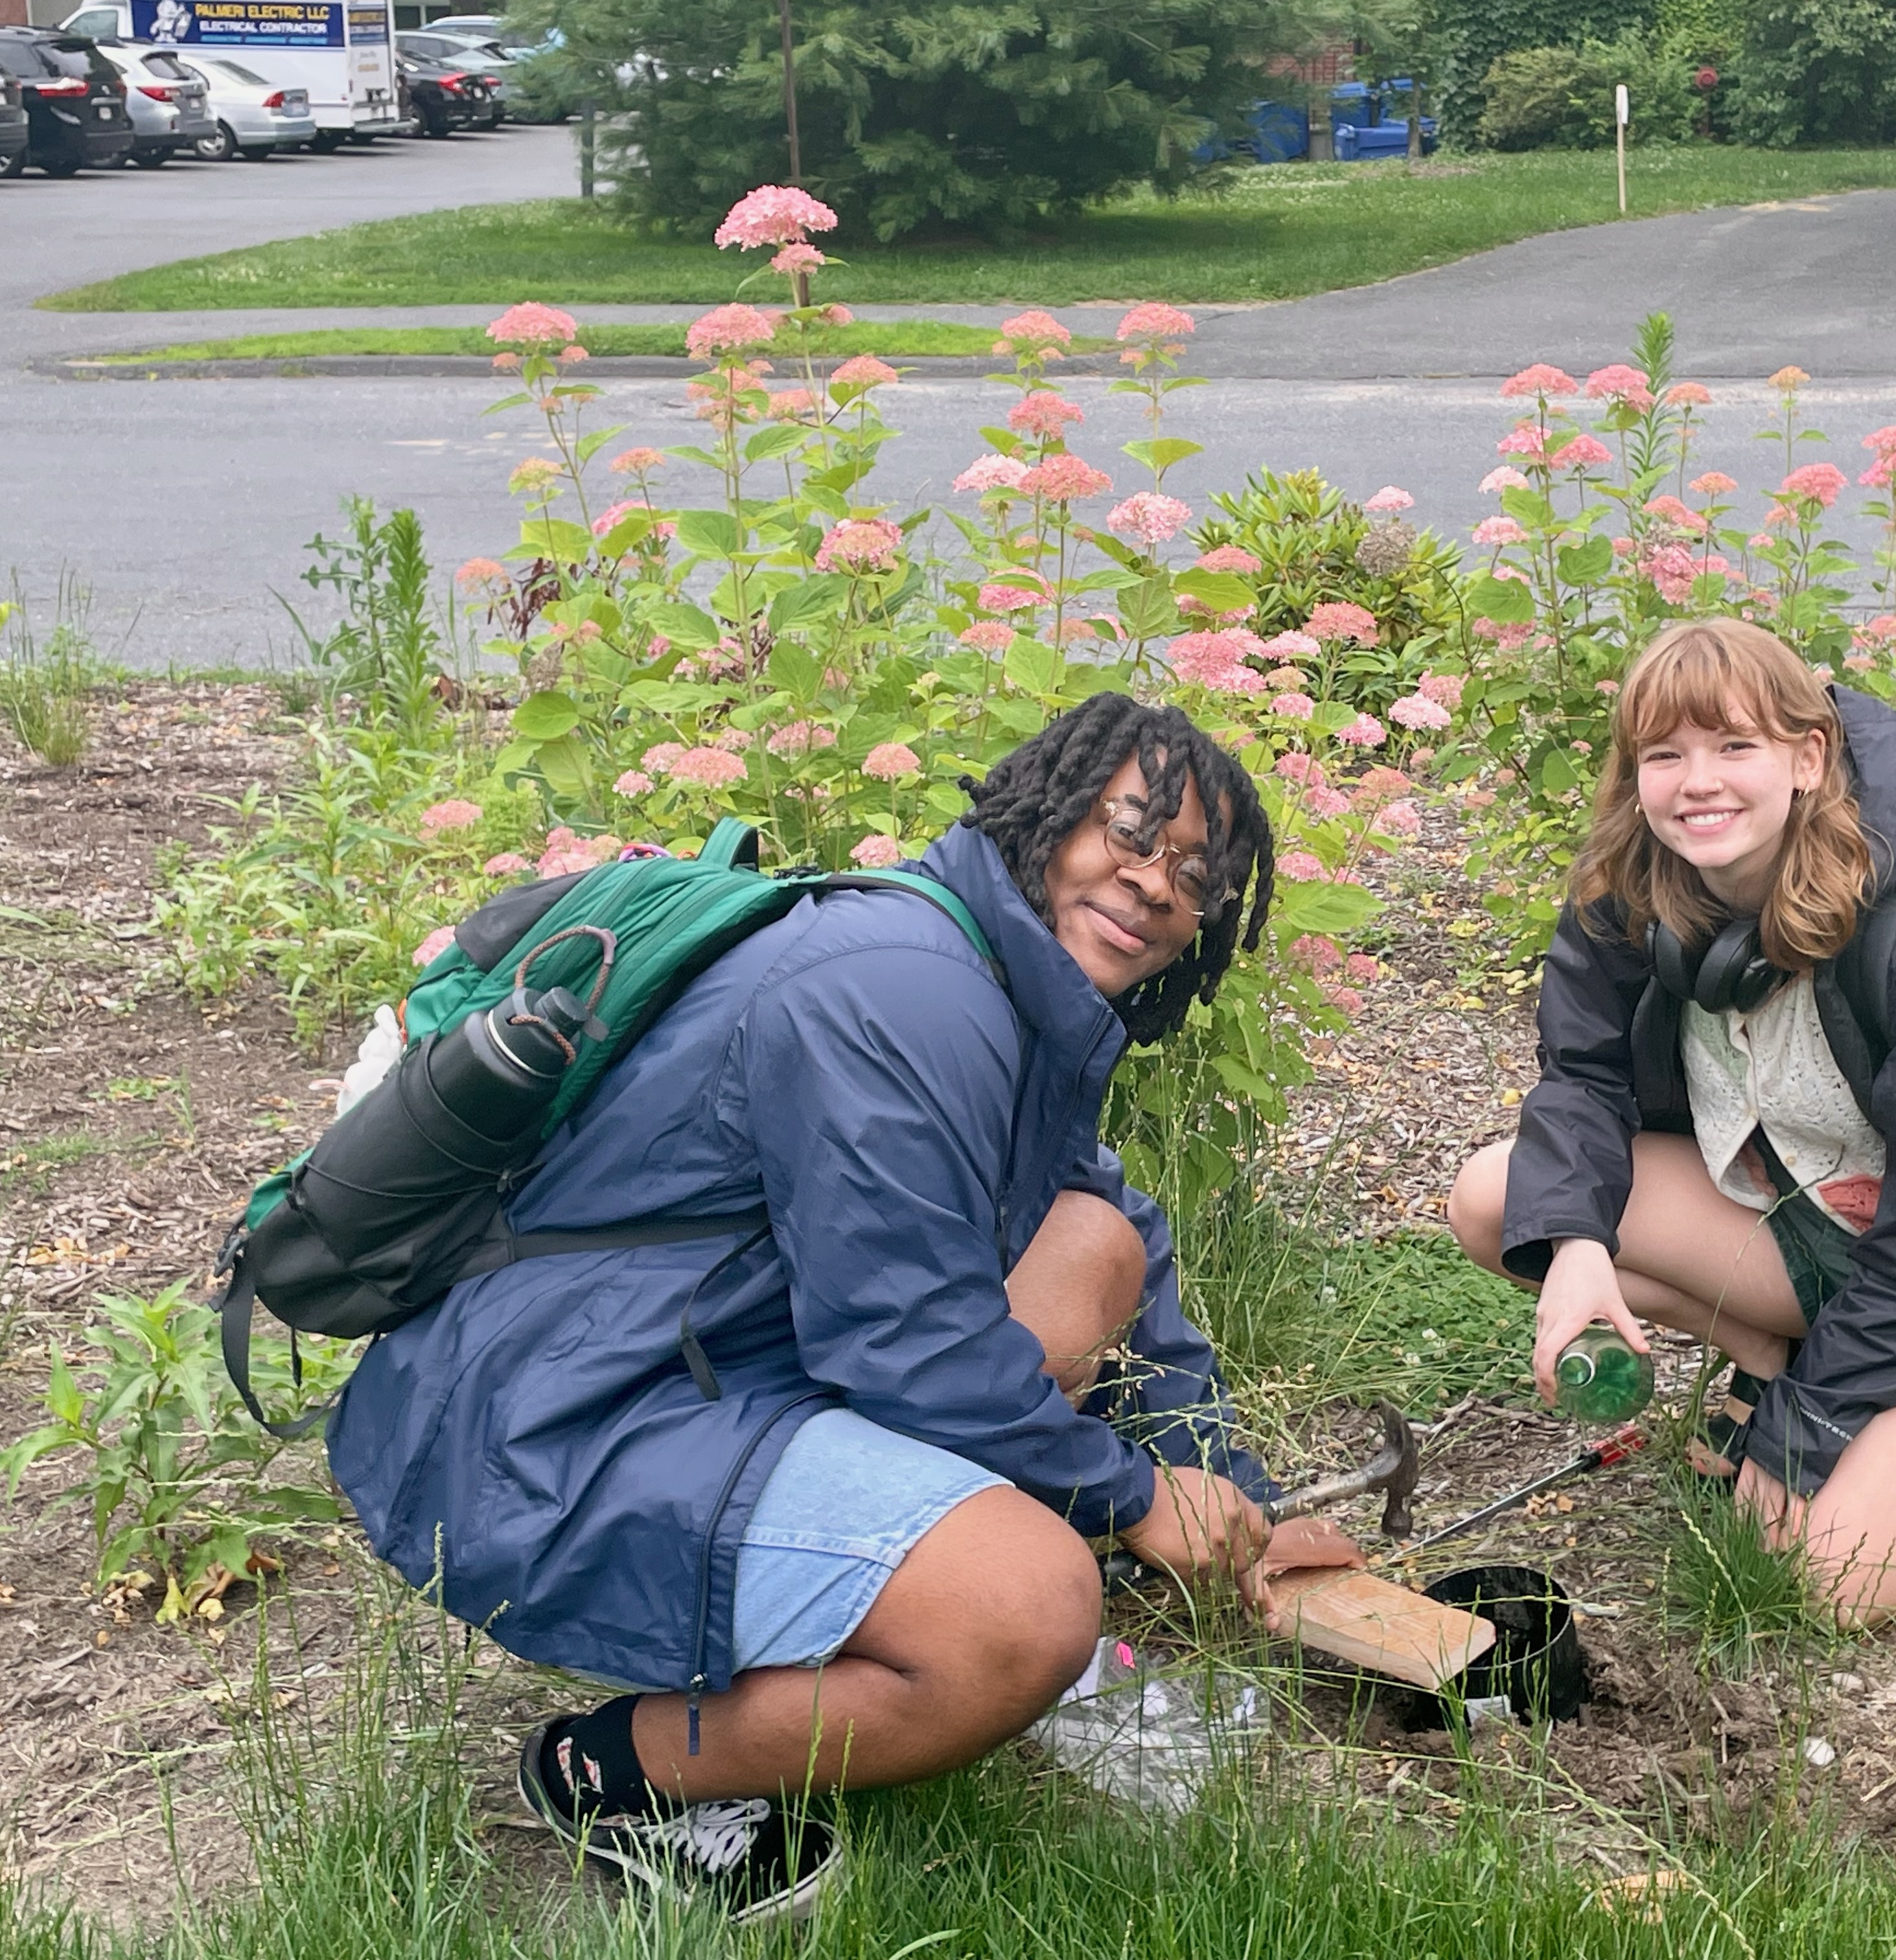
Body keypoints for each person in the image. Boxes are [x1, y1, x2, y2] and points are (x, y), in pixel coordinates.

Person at [325, 693, 1361, 1921]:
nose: (1152, 884)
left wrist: (1229, 1494)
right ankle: (609, 1772)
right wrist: (1133, 1498)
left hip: (705, 1365)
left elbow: (1114, 1229)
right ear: (1044, 813)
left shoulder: (993, 979)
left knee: (1093, 1240)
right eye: (1130, 830)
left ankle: (882, 1599)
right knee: (1030, 1611)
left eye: (1194, 877)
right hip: (555, 1426)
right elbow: (912, 1350)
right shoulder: (903, 989)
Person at [1448, 618, 1896, 1623]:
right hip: (1808, 1222)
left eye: (1735, 746)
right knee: (1499, 1201)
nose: (1698, 783)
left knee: (1820, 1581)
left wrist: (1804, 1428)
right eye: (1665, 755)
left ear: (1808, 758)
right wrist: (1575, 1249)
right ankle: (1775, 1356)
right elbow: (1583, 1079)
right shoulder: (1631, 891)